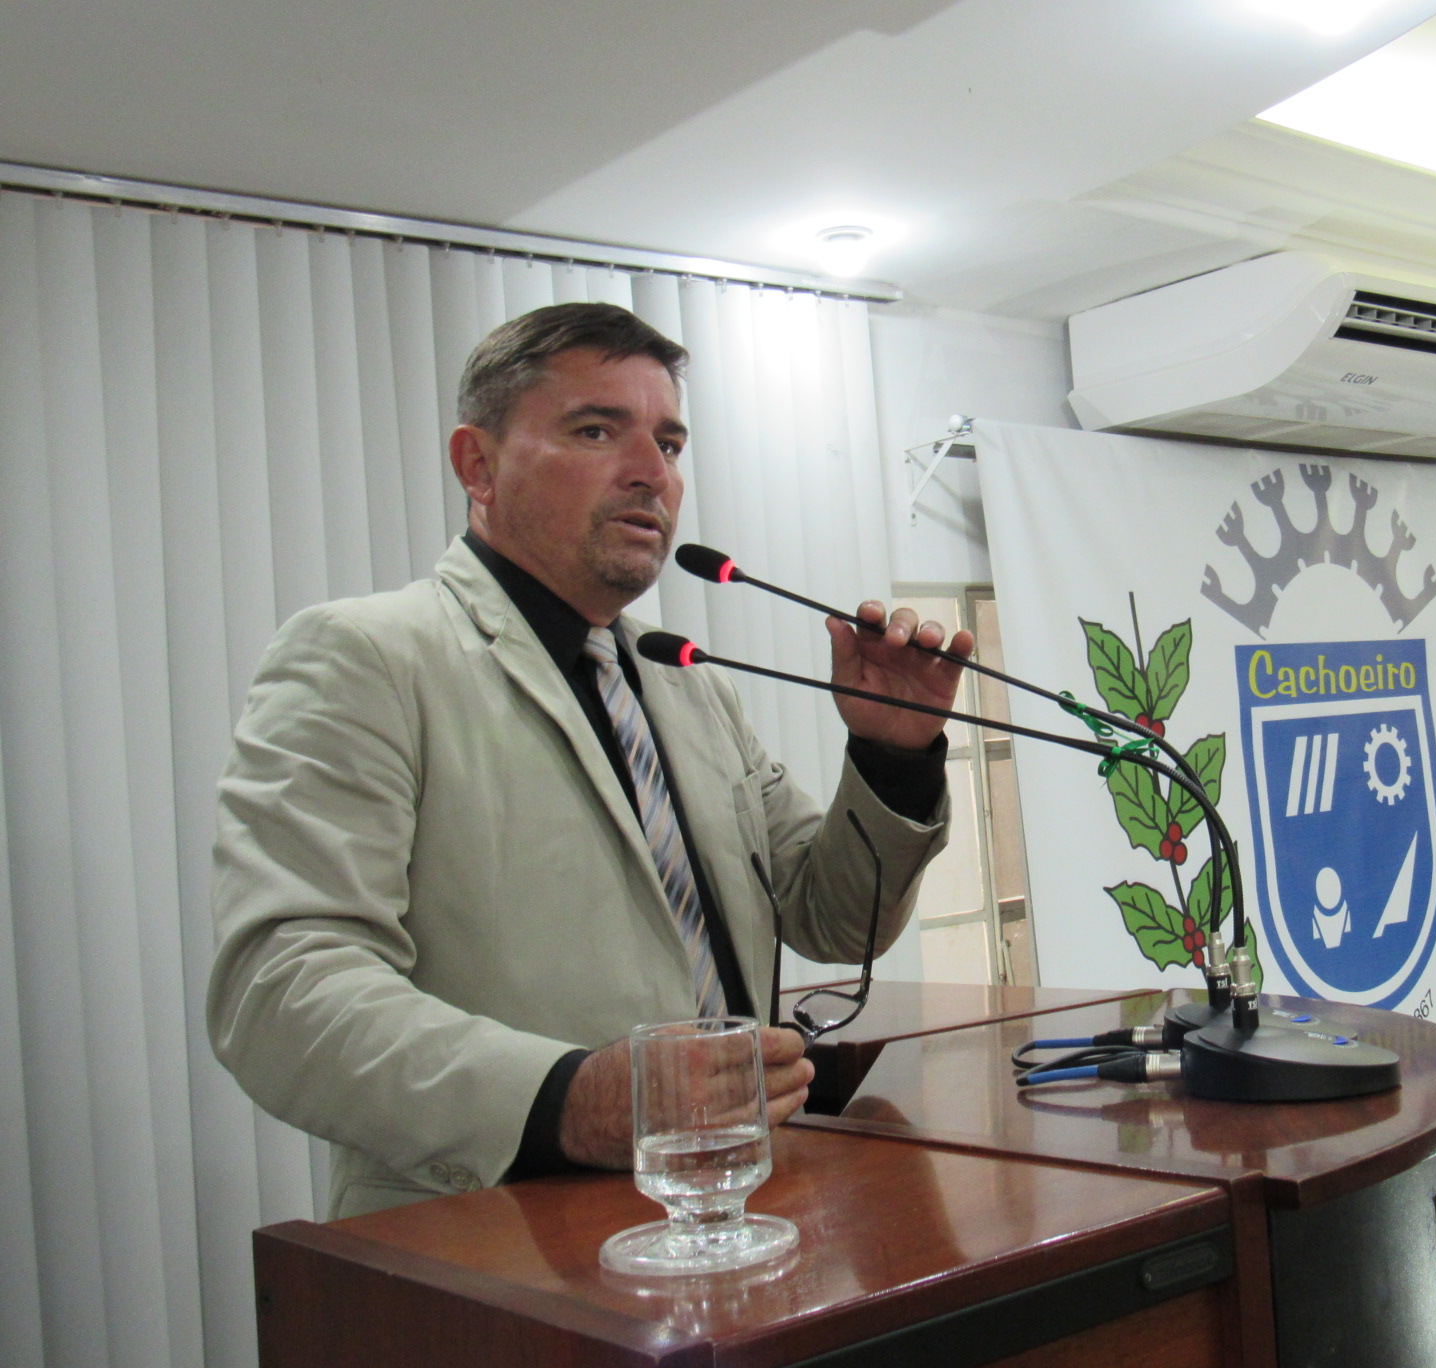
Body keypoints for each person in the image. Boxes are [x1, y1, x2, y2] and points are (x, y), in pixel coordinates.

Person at [208, 303, 970, 1218]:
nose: (653, 472)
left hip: (742, 1210)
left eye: (671, 443)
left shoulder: (687, 683)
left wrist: (891, 756)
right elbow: (280, 994)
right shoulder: (366, 658)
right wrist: (568, 1099)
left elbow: (834, 919)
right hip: (499, 1242)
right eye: (597, 431)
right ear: (478, 466)